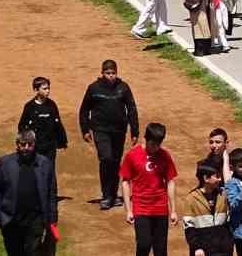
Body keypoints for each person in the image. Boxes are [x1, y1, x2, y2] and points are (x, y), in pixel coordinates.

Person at [79, 59, 139, 210]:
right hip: (101, 130)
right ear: (102, 73)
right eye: (108, 73)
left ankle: (114, 194)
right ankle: (106, 195)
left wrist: (134, 131)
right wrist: (85, 129)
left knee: (115, 161)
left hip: (119, 130)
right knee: (106, 158)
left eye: (113, 73)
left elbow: (131, 108)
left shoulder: (123, 88)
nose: (111, 76)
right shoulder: (94, 88)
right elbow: (84, 109)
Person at [0, 129, 58, 256]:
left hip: (35, 220)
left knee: (33, 252)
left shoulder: (45, 164)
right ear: (17, 144)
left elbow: (51, 193)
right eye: (22, 144)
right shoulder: (4, 163)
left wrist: (52, 218)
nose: (26, 148)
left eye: (30, 144)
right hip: (11, 221)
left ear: (34, 144)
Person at [121, 121, 178, 256]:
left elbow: (170, 182)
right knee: (143, 244)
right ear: (145, 138)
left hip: (160, 208)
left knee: (160, 249)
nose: (155, 148)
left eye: (159, 144)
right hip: (141, 208)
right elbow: (125, 182)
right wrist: (128, 210)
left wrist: (173, 210)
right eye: (153, 144)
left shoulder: (165, 156)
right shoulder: (132, 155)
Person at [180, 163, 233, 256]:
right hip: (202, 251)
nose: (220, 179)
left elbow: (228, 221)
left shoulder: (224, 195)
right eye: (217, 176)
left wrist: (229, 242)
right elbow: (189, 227)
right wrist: (196, 247)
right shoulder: (191, 199)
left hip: (223, 249)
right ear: (206, 178)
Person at [18, 76, 68, 169]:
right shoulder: (29, 107)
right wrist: (25, 143)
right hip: (35, 146)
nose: (48, 91)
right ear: (36, 90)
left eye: (48, 88)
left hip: (50, 146)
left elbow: (57, 123)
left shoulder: (52, 105)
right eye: (44, 89)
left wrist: (62, 140)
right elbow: (22, 126)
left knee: (49, 170)